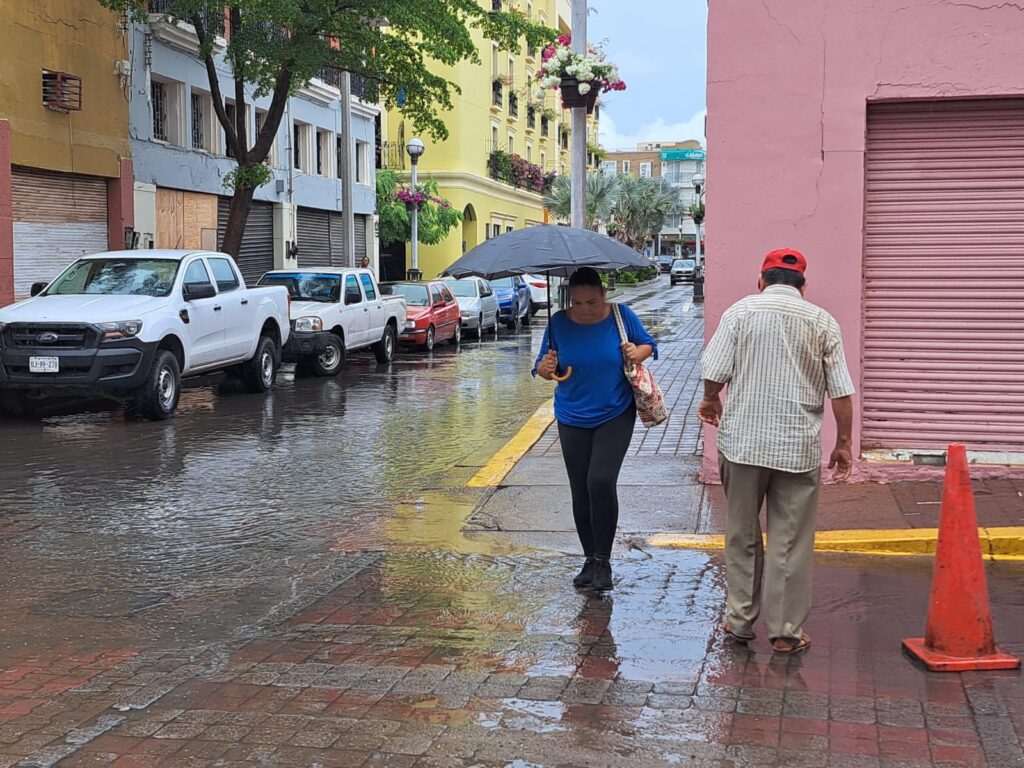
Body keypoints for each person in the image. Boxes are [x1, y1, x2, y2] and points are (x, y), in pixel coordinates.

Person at [698, 248, 855, 655]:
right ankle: (785, 632)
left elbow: (713, 372)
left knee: (742, 533)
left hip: (743, 445)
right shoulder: (822, 321)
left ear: (760, 281)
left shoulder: (739, 313)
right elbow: (840, 391)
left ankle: (739, 620)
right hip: (797, 449)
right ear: (804, 286)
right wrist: (842, 443)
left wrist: (711, 400)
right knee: (790, 540)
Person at [533, 267, 658, 591]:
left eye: (591, 302)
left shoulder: (621, 315)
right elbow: (544, 367)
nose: (585, 309)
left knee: (600, 481)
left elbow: (648, 346)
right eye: (577, 303)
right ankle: (589, 558)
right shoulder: (558, 322)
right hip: (571, 415)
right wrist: (546, 369)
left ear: (603, 295)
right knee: (580, 489)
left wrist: (635, 351)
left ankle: (604, 561)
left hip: (615, 412)